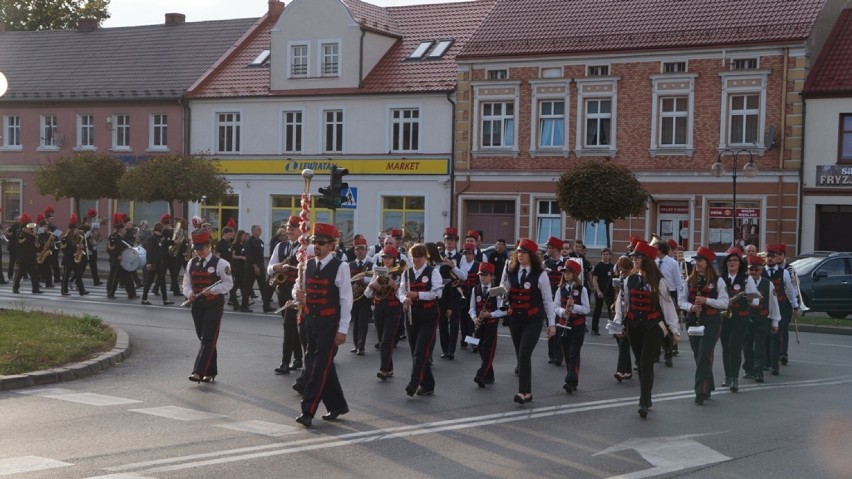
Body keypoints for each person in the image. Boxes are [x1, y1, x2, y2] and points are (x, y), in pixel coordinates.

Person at [292, 223, 352, 428]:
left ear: (331, 245)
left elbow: (346, 300)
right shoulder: (306, 265)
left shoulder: (340, 267)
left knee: (318, 368)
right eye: (314, 241)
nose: (316, 246)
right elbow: (297, 288)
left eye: (321, 243)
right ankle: (337, 405)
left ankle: (307, 410)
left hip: (329, 324)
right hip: (310, 321)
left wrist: (343, 329)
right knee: (316, 363)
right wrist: (297, 295)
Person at [611, 241, 680, 418]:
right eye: (634, 256)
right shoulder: (629, 280)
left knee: (645, 363)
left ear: (647, 260)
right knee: (640, 365)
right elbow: (622, 302)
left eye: (638, 257)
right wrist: (618, 322)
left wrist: (674, 329)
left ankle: (643, 401)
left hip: (652, 327)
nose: (634, 260)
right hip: (634, 326)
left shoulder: (659, 282)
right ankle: (647, 396)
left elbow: (668, 307)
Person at [500, 238, 556, 405]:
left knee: (524, 353)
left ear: (531, 255)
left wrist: (551, 323)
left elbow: (548, 300)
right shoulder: (511, 270)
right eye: (518, 252)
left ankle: (523, 392)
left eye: (523, 252)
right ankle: (528, 392)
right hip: (515, 319)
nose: (520, 255)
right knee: (520, 355)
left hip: (533, 319)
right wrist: (502, 290)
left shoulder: (541, 274)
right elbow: (505, 289)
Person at [679, 246, 728, 405]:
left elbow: (724, 303)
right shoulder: (689, 280)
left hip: (712, 322)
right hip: (694, 321)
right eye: (696, 261)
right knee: (698, 355)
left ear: (707, 262)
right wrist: (691, 307)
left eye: (699, 261)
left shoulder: (718, 281)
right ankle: (708, 385)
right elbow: (681, 301)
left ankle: (700, 391)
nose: (696, 263)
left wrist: (706, 301)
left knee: (704, 355)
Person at [183, 229, 234, 384]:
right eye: (196, 249)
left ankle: (198, 371)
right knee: (204, 338)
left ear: (209, 246)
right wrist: (189, 293)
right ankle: (211, 371)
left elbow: (228, 284)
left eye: (202, 248)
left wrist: (212, 290)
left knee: (208, 338)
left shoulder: (222, 264)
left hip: (214, 304)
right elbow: (186, 283)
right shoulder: (191, 263)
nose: (199, 252)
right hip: (197, 305)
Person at [400, 243, 443, 398]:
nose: (416, 261)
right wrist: (405, 299)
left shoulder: (433, 272)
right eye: (413, 258)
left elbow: (437, 293)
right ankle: (428, 384)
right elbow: (401, 291)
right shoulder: (407, 273)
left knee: (420, 351)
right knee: (416, 352)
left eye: (419, 258)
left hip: (429, 315)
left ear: (425, 257)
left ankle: (414, 383)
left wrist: (418, 295)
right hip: (412, 315)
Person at [268, 216, 303, 373]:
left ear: (301, 229)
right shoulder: (280, 246)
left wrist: (291, 268)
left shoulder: (306, 248)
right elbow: (269, 267)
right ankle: (298, 358)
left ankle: (285, 362)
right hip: (282, 289)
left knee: (288, 324)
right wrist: (276, 267)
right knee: (290, 325)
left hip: (296, 290)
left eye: (293, 228)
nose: (290, 231)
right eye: (288, 228)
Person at [368, 245, 405, 381]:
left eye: (389, 258)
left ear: (394, 259)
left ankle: (383, 369)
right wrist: (372, 285)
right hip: (379, 307)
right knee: (381, 339)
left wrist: (393, 284)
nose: (386, 260)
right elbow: (368, 293)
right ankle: (389, 369)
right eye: (384, 257)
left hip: (393, 308)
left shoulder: (400, 272)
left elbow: (403, 292)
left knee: (386, 340)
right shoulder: (378, 271)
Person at [742, 255, 781, 383]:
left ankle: (759, 372)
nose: (753, 272)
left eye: (756, 270)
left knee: (759, 346)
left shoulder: (767, 283)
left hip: (762, 319)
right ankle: (748, 369)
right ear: (747, 270)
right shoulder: (745, 283)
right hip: (747, 319)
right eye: (751, 269)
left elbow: (773, 302)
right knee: (747, 346)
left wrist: (775, 321)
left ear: (761, 270)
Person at [554, 260, 590, 394]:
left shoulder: (582, 289)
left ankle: (570, 380)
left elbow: (586, 309)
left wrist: (573, 307)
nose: (566, 275)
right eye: (564, 272)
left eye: (568, 272)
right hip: (564, 325)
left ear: (575, 274)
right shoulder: (560, 289)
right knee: (568, 354)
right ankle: (573, 380)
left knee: (574, 353)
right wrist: (563, 311)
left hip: (577, 326)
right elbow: (555, 306)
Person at [763, 244, 798, 376]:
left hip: (781, 306)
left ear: (777, 257)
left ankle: (774, 365)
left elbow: (789, 291)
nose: (771, 259)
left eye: (773, 256)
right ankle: (766, 361)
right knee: (766, 335)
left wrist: (795, 305)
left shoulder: (784, 273)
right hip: (765, 308)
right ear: (765, 258)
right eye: (768, 256)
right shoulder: (761, 272)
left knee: (776, 335)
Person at [469, 262, 505, 388]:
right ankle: (490, 375)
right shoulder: (476, 289)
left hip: (491, 324)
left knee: (488, 349)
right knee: (480, 348)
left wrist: (490, 315)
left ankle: (481, 375)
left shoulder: (497, 290)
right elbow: (472, 308)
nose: (482, 277)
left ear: (491, 276)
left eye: (485, 275)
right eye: (481, 275)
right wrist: (474, 318)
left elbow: (503, 310)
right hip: (479, 324)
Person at [720, 247, 748, 392]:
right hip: (724, 318)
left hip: (739, 319)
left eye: (735, 260)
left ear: (740, 263)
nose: (732, 263)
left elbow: (754, 299)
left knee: (734, 347)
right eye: (729, 261)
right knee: (725, 348)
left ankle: (735, 378)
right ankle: (727, 375)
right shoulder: (721, 278)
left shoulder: (746, 278)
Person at [656, 241, 682, 366]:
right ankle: (656, 352)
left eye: (656, 248)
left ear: (661, 250)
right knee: (657, 324)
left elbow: (678, 282)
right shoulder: (655, 262)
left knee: (668, 324)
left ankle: (668, 353)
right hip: (656, 295)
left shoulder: (673, 263)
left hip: (669, 294)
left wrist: (678, 300)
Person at [610, 255, 634, 383]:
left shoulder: (631, 280)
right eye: (620, 269)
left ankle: (620, 370)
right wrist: (617, 320)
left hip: (630, 316)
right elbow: (620, 301)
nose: (622, 272)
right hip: (621, 315)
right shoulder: (621, 280)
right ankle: (628, 371)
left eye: (624, 270)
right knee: (621, 343)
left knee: (624, 343)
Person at [349, 237, 373, 355]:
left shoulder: (371, 264)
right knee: (355, 321)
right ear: (354, 251)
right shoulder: (350, 264)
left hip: (365, 297)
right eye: (357, 249)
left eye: (362, 249)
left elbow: (375, 279)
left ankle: (361, 346)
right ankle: (355, 344)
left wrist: (365, 279)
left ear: (366, 250)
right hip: (353, 297)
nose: (359, 252)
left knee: (363, 321)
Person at [542, 236, 564, 366]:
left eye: (549, 247)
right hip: (548, 300)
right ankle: (551, 353)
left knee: (559, 327)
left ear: (555, 249)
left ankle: (559, 354)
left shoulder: (565, 264)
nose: (547, 250)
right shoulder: (546, 264)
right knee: (550, 325)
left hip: (561, 300)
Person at [244, 224, 275, 313]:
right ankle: (244, 305)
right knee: (248, 287)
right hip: (251, 267)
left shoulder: (260, 241)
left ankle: (266, 305)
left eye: (260, 230)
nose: (260, 231)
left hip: (260, 266)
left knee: (264, 287)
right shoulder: (249, 241)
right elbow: (249, 255)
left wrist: (262, 267)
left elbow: (260, 256)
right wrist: (255, 266)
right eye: (258, 230)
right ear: (253, 231)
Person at [106, 214, 136, 300]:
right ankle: (110, 293)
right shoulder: (114, 238)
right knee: (114, 277)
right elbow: (109, 249)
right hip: (116, 261)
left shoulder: (123, 238)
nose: (125, 230)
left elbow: (129, 245)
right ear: (120, 230)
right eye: (124, 229)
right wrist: (117, 256)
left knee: (128, 277)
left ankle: (131, 294)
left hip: (123, 261)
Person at [141, 223, 172, 306]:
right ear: (157, 231)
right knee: (149, 281)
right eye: (160, 231)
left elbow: (166, 243)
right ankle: (144, 299)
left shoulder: (159, 238)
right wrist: (149, 263)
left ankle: (165, 299)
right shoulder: (152, 239)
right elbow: (149, 252)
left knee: (162, 281)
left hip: (160, 262)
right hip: (153, 263)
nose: (161, 233)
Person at [59, 214, 89, 296]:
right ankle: (64, 291)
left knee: (78, 275)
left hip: (75, 259)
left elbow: (79, 246)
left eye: (77, 229)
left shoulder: (78, 237)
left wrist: (81, 248)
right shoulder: (65, 238)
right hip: (68, 260)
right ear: (71, 230)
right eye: (75, 229)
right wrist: (75, 248)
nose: (77, 231)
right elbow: (64, 250)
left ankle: (82, 291)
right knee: (66, 276)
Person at [12, 214, 42, 294]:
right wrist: (31, 236)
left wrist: (37, 247)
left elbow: (35, 247)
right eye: (30, 228)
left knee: (34, 274)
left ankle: (35, 289)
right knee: (19, 275)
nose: (31, 229)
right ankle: (15, 288)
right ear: (25, 228)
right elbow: (23, 244)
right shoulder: (20, 235)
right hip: (22, 259)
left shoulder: (31, 236)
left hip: (31, 258)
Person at [590, 248, 615, 336]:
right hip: (600, 292)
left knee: (611, 312)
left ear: (610, 255)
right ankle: (594, 329)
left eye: (607, 254)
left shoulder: (612, 267)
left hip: (609, 293)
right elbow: (594, 280)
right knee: (597, 310)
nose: (605, 256)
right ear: (601, 255)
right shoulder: (598, 266)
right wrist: (598, 291)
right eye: (604, 254)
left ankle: (613, 331)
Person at [230, 230, 249, 311]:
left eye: (244, 236)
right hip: (236, 266)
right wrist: (241, 257)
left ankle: (236, 300)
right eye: (242, 236)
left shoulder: (243, 244)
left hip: (242, 266)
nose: (244, 238)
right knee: (241, 284)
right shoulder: (235, 244)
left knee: (238, 284)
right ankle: (239, 302)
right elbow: (233, 256)